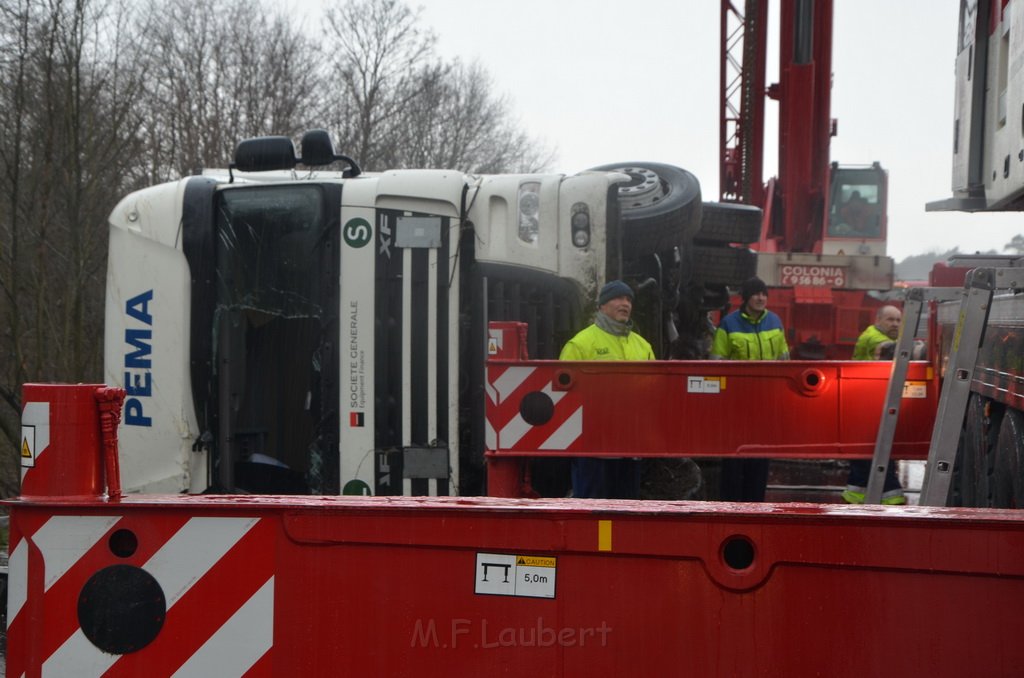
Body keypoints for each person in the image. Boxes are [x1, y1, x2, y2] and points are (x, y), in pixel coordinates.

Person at [560, 280, 654, 498]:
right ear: (602, 305)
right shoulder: (580, 344)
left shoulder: (643, 346)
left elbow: (652, 392)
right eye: (618, 298)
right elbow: (564, 394)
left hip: (631, 443)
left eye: (629, 299)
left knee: (626, 508)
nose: (625, 304)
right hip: (593, 445)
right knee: (591, 507)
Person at [711, 276, 789, 502]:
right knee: (734, 459)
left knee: (760, 457)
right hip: (736, 403)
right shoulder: (729, 323)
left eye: (764, 294)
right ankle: (731, 507)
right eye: (756, 293)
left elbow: (784, 359)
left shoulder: (775, 322)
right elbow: (717, 361)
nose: (761, 298)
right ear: (745, 297)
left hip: (766, 402)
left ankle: (756, 506)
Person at [842, 305, 907, 505]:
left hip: (871, 402)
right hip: (866, 402)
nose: (895, 324)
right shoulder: (873, 337)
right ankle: (889, 494)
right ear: (878, 320)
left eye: (898, 320)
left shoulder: (887, 337)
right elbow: (889, 350)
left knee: (868, 451)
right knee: (873, 448)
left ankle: (858, 494)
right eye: (890, 320)